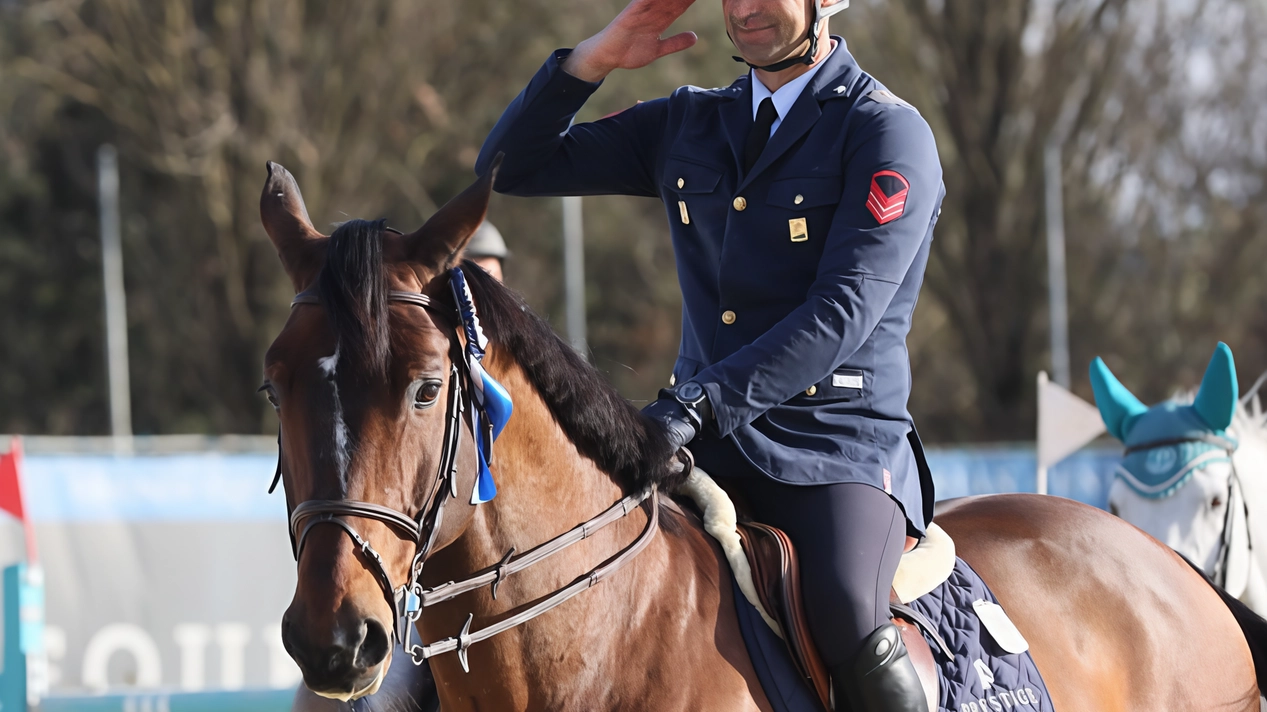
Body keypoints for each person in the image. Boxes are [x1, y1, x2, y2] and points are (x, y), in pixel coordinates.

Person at [477, 0, 943, 709]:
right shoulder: (690, 121)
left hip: (830, 446)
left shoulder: (884, 132)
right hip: (696, 437)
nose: (745, 7)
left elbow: (842, 312)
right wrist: (591, 62)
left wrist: (699, 403)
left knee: (847, 607)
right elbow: (511, 167)